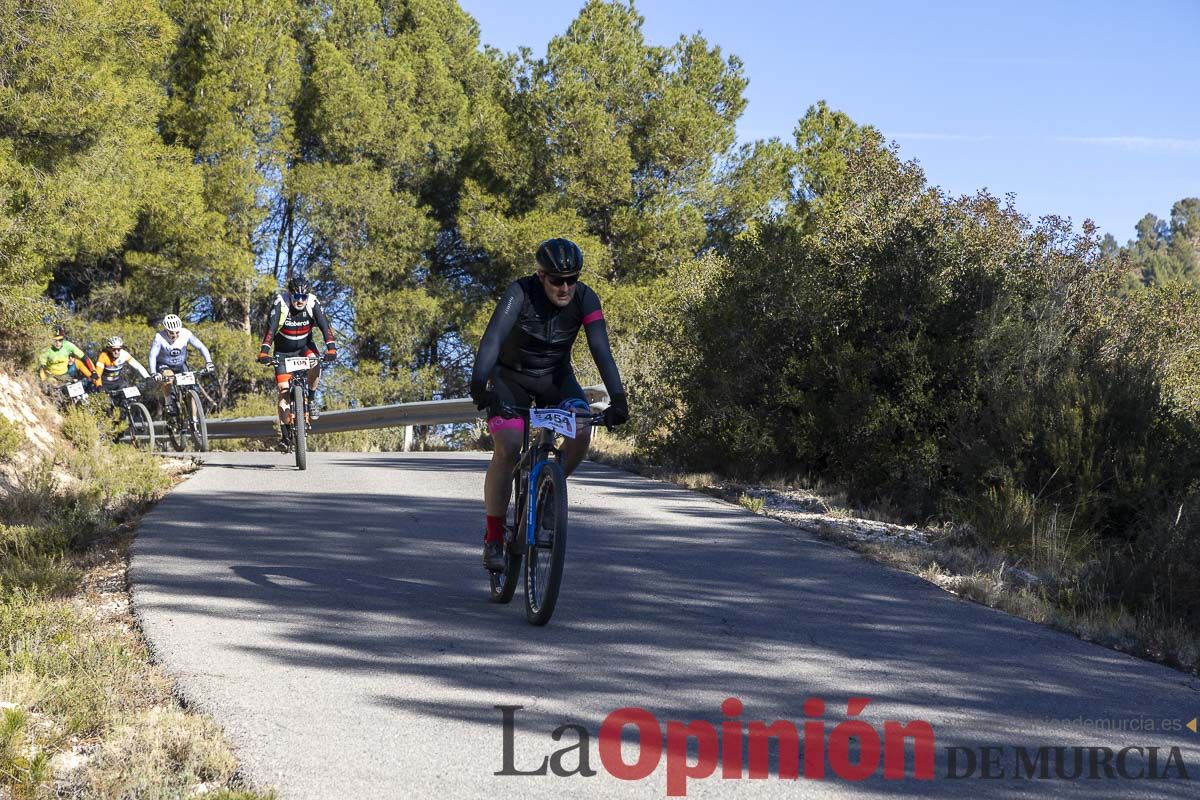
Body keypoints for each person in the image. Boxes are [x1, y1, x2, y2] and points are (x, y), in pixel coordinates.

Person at [469, 237, 629, 570]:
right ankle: (494, 538)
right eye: (557, 279)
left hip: (555, 378)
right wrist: (479, 385)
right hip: (510, 378)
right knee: (509, 446)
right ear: (541, 276)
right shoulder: (520, 293)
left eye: (572, 279)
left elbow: (600, 349)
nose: (565, 287)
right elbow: (493, 339)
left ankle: (547, 498)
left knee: (582, 430)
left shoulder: (585, 298)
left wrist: (618, 398)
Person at [256, 275, 337, 449]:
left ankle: (312, 399)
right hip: (283, 352)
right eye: (296, 297)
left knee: (316, 362)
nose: (300, 301)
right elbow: (270, 330)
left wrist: (331, 348)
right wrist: (264, 352)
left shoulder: (312, 303)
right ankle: (285, 437)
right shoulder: (281, 303)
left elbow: (325, 326)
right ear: (290, 294)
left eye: (303, 297)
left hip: (304, 347)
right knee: (283, 392)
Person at [149, 314, 214, 413]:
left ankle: (195, 421)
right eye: (171, 333)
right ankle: (168, 401)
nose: (174, 335)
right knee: (168, 376)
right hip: (164, 365)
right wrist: (154, 372)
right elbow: (152, 355)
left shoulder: (186, 334)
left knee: (192, 389)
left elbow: (201, 347)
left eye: (177, 332)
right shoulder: (159, 337)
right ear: (166, 330)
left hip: (181, 365)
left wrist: (209, 362)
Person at [94, 336, 151, 400]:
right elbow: (97, 374)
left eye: (118, 349)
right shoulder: (103, 356)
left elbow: (138, 366)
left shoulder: (124, 354)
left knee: (131, 398)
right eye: (114, 349)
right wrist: (99, 385)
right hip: (104, 384)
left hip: (118, 382)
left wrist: (147, 377)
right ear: (109, 349)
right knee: (108, 406)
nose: (116, 352)